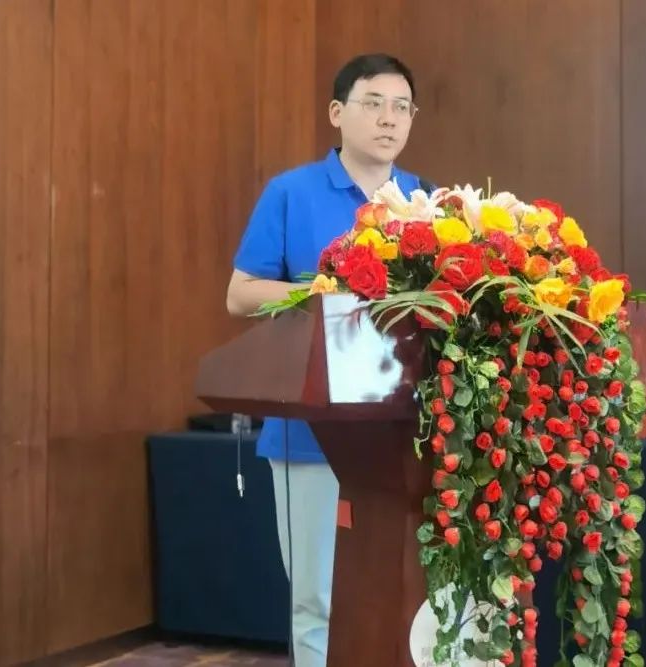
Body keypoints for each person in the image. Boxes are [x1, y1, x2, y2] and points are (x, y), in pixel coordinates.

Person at [225, 53, 423, 667]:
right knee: (318, 600)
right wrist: (319, 294)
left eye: (402, 107)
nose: (389, 119)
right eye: (373, 104)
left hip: (402, 435)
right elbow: (240, 294)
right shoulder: (291, 193)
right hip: (310, 433)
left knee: (403, 596)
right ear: (337, 112)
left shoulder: (423, 200)